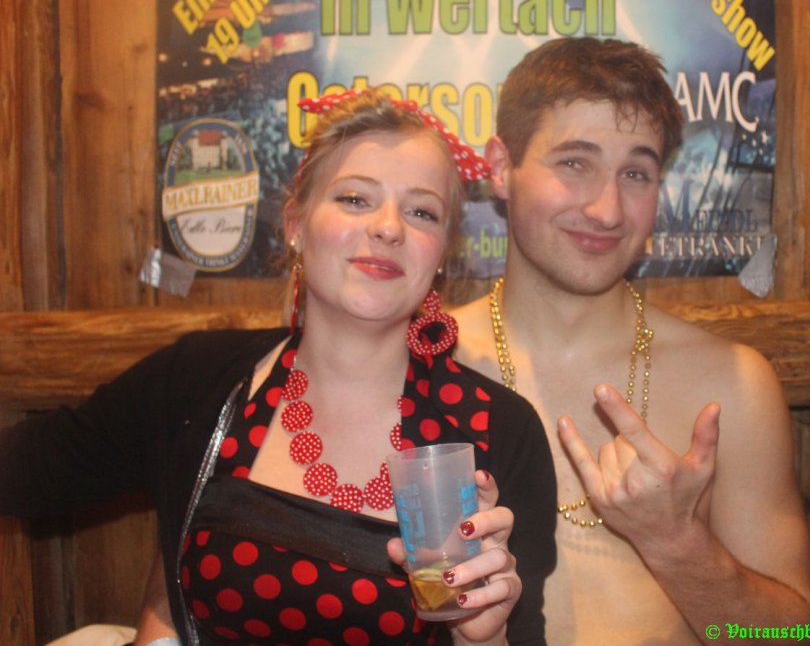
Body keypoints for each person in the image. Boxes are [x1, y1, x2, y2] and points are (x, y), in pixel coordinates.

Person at [0, 88, 557, 645]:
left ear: (440, 254)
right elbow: (27, 471)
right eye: (355, 198)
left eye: (421, 212)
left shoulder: (498, 429)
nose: (389, 227)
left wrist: (482, 636)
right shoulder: (196, 380)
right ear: (295, 224)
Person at [451, 37, 810, 643]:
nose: (608, 210)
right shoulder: (425, 364)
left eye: (636, 174)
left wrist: (675, 541)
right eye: (575, 163)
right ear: (499, 166)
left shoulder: (732, 385)